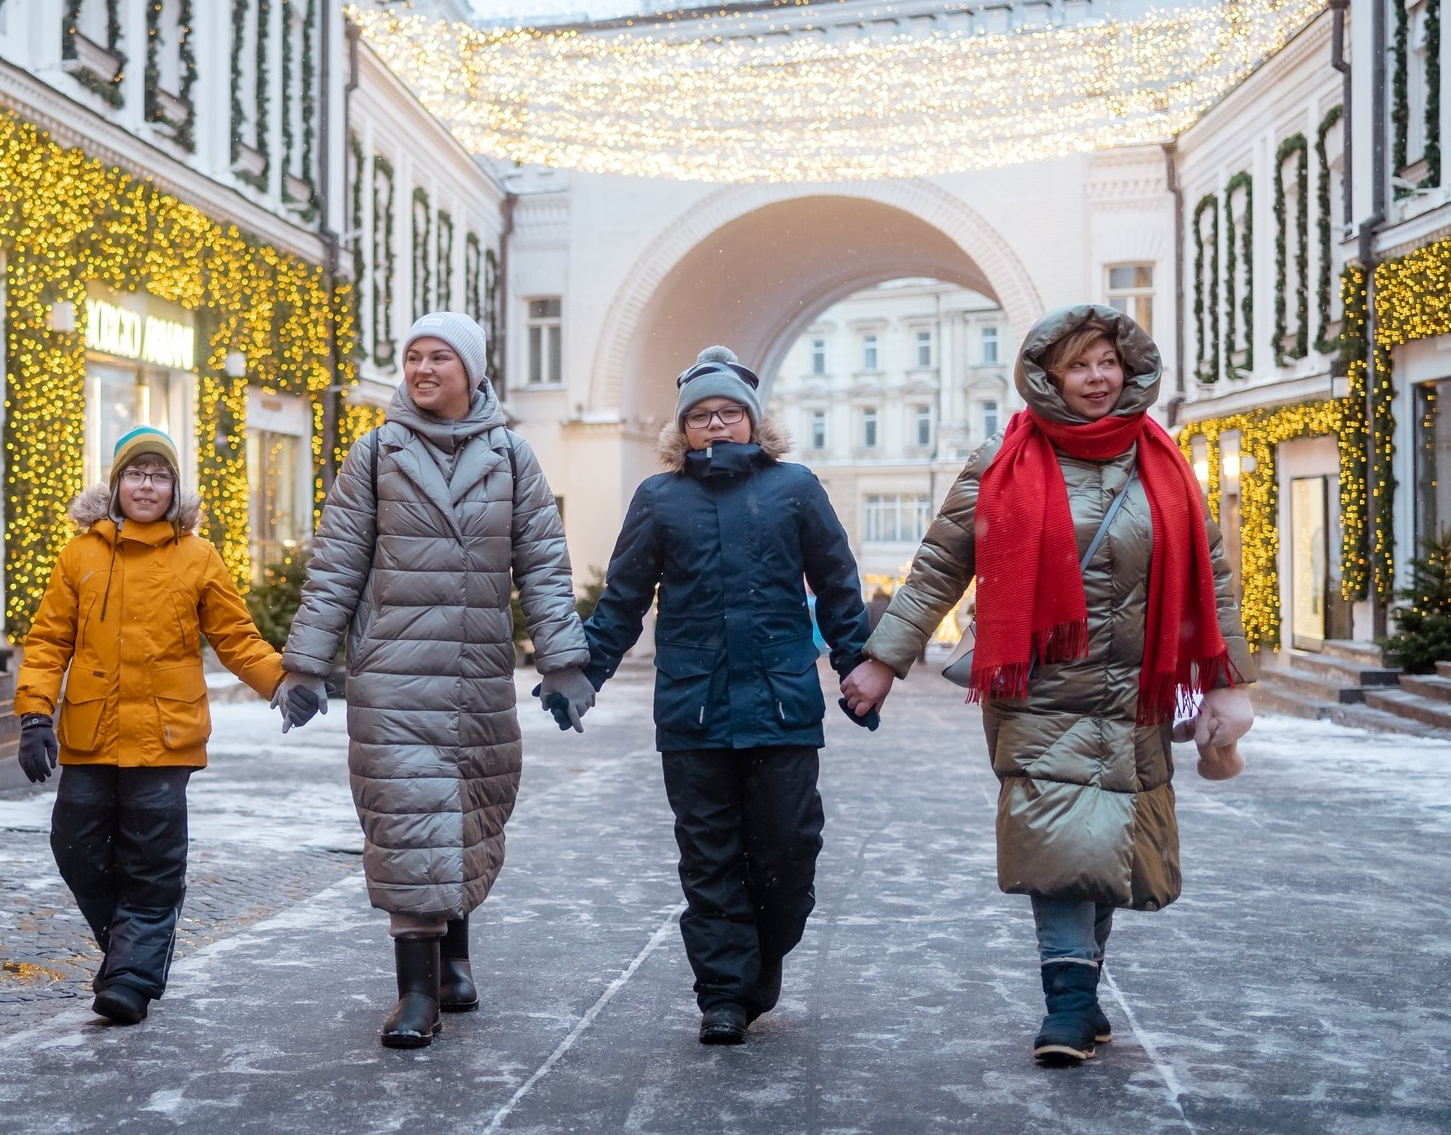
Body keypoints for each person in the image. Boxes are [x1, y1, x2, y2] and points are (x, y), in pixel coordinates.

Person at [839, 306, 1257, 1066]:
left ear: (1127, 369)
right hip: (1037, 688)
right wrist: (883, 660)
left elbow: (1213, 577)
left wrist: (1228, 681)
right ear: (1048, 376)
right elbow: (938, 566)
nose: (1097, 379)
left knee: (1107, 850)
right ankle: (1066, 1005)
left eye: (1108, 363)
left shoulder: (1163, 462)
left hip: (1137, 693)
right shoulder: (1000, 460)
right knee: (1061, 841)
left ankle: (1083, 990)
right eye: (1079, 365)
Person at [278, 311, 591, 1049]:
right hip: (391, 674)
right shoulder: (375, 454)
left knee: (469, 814)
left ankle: (454, 958)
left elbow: (543, 565)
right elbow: (337, 565)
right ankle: (415, 993)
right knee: (408, 820)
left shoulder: (513, 457)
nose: (421, 369)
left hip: (477, 675)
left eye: (438, 357)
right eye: (412, 356)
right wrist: (306, 664)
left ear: (472, 371)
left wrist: (564, 663)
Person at [581, 345, 877, 1046]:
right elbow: (622, 598)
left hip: (781, 707)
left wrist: (858, 664)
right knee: (708, 854)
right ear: (682, 430)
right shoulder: (660, 498)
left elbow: (838, 583)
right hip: (695, 710)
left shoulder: (796, 488)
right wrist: (583, 673)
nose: (716, 425)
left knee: (788, 849)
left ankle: (760, 960)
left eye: (729, 413)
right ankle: (722, 993)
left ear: (753, 420)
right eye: (701, 416)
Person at [14, 425, 286, 1026]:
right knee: (75, 843)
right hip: (90, 732)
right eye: (136, 474)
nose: (147, 486)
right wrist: (36, 711)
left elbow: (235, 637)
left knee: (151, 859)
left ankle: (132, 977)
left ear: (175, 488)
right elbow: (49, 640)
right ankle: (128, 947)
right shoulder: (79, 553)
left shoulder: (198, 557)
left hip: (166, 736)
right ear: (116, 485)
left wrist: (282, 681)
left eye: (159, 476)